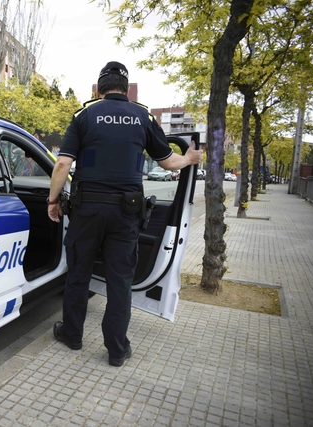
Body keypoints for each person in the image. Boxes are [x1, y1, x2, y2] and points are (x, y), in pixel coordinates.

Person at [47, 61, 203, 366]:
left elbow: (63, 164)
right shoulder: (142, 116)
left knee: (78, 272)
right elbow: (169, 163)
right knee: (120, 281)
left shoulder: (85, 115)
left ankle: (73, 335)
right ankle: (117, 350)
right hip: (126, 213)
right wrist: (190, 157)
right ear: (126, 88)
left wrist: (53, 200)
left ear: (99, 87)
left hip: (87, 210)